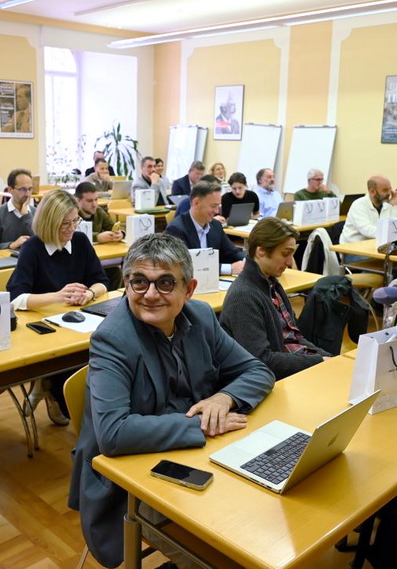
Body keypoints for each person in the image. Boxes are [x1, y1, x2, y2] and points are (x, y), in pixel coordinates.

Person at [67, 233, 274, 568]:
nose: (150, 294)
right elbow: (113, 434)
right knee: (223, 555)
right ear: (126, 284)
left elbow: (258, 370)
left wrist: (224, 397)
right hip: (134, 478)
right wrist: (200, 425)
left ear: (188, 289)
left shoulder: (201, 316)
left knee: (258, 517)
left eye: (165, 283)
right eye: (139, 282)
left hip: (198, 455)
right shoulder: (111, 339)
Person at [7, 189, 108, 426]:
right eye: (65, 223)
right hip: (42, 329)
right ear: (49, 222)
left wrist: (89, 293)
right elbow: (15, 297)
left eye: (75, 221)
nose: (72, 228)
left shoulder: (80, 241)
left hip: (77, 322)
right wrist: (57, 297)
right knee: (70, 362)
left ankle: (48, 386)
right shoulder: (33, 248)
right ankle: (52, 388)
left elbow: (102, 281)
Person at [221, 218, 330, 379]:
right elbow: (261, 360)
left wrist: (328, 358)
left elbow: (295, 337)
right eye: (285, 254)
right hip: (268, 380)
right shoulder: (243, 296)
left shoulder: (271, 284)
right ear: (261, 251)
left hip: (287, 367)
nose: (290, 262)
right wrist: (318, 361)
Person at [165, 181, 245, 275]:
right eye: (213, 206)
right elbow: (186, 266)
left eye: (218, 206)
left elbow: (232, 252)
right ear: (196, 203)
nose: (217, 211)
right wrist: (229, 269)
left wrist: (247, 261)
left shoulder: (215, 225)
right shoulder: (176, 229)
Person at [339, 175, 397, 244]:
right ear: (372, 191)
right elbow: (367, 230)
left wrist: (396, 206)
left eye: (390, 189)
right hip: (353, 247)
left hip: (378, 246)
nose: (389, 193)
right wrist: (396, 232)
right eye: (385, 190)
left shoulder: (387, 204)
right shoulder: (359, 205)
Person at [0, 169, 35, 251]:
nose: (27, 194)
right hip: (6, 258)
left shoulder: (37, 213)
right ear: (10, 190)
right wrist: (11, 245)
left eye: (30, 189)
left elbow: (43, 241)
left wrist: (27, 216)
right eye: (22, 189)